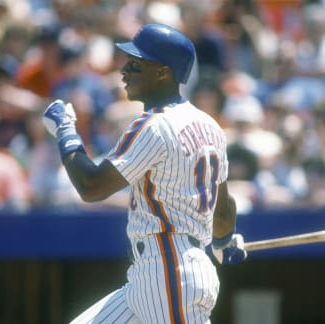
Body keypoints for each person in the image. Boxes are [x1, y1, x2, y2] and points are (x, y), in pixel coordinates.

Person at [42, 23, 247, 323]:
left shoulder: (154, 124)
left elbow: (91, 186)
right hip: (157, 274)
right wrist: (224, 241)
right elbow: (223, 214)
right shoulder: (211, 126)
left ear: (163, 72)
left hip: (169, 272)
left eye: (136, 64)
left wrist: (66, 131)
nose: (124, 71)